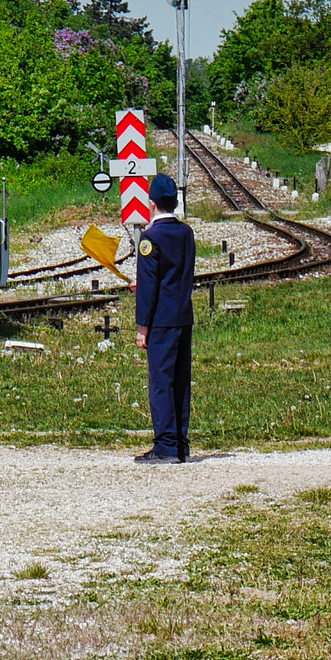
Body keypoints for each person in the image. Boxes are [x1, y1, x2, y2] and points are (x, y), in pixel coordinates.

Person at [134, 172, 195, 464]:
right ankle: (181, 445)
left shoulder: (150, 238)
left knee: (161, 382)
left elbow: (150, 288)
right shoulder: (186, 233)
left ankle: (165, 446)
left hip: (160, 320)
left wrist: (142, 326)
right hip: (183, 315)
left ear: (152, 203)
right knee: (181, 381)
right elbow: (176, 275)